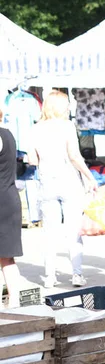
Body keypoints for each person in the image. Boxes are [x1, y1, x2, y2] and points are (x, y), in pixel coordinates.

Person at [27, 90, 97, 288]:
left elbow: (32, 159)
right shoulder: (67, 126)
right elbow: (74, 156)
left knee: (50, 232)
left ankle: (49, 276)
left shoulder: (36, 129)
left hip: (47, 182)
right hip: (69, 182)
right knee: (73, 231)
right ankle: (77, 275)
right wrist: (90, 177)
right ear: (61, 107)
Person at [0, 109, 24, 307]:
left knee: (6, 257)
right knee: (7, 257)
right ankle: (14, 302)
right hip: (9, 198)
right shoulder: (8, 135)